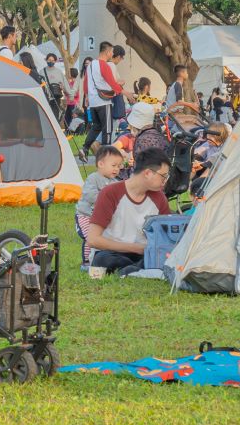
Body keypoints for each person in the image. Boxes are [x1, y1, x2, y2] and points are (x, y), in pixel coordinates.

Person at [86, 147, 171, 276]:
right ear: (148, 173)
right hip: (112, 251)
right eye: (163, 176)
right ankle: (137, 270)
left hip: (144, 254)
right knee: (103, 260)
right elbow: (93, 240)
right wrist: (136, 248)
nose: (165, 181)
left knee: (164, 259)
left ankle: (132, 269)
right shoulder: (110, 193)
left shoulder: (159, 198)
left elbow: (165, 237)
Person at [72, 145, 125, 266]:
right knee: (90, 238)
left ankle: (97, 260)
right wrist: (107, 200)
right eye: (113, 165)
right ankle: (86, 262)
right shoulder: (93, 178)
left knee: (104, 239)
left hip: (100, 219)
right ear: (101, 164)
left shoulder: (115, 182)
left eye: (118, 166)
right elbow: (90, 195)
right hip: (85, 216)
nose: (116, 169)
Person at [81, 42, 124, 159]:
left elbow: (85, 84)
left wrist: (86, 98)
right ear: (107, 51)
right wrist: (125, 92)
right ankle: (106, 157)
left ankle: (84, 148)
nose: (112, 54)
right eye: (111, 52)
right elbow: (112, 83)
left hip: (93, 103)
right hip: (104, 102)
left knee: (96, 127)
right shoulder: (104, 65)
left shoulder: (90, 65)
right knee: (107, 130)